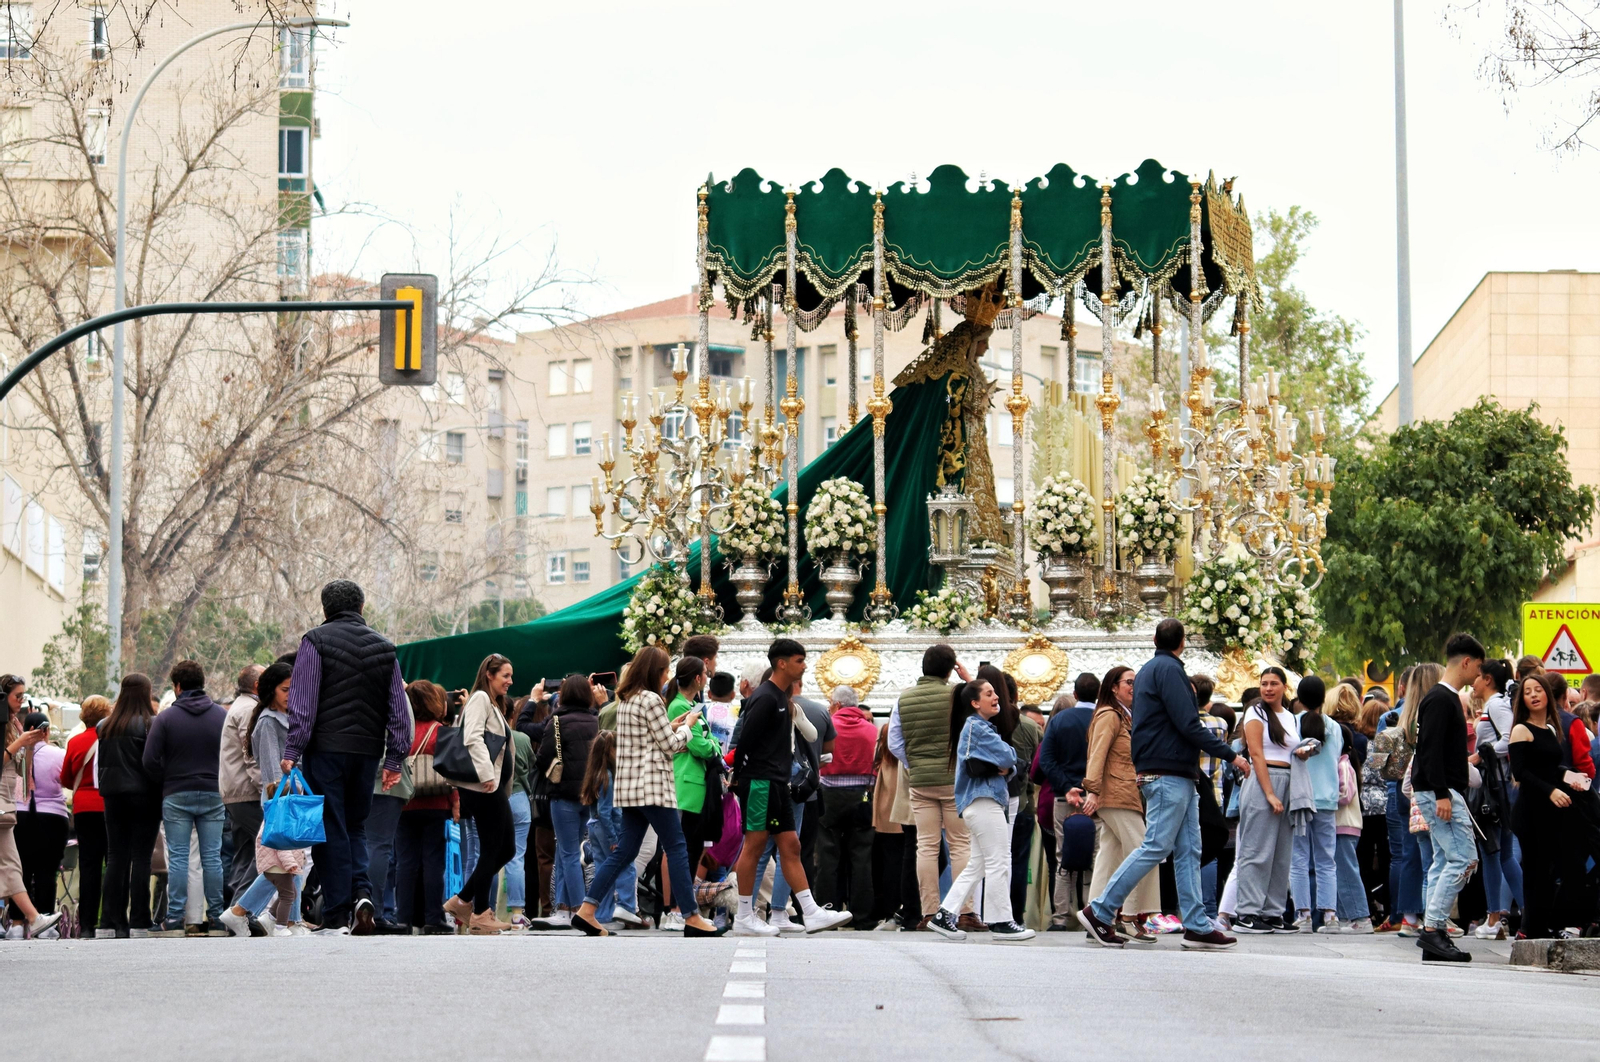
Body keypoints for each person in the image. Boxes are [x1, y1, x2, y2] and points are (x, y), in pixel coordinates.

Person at [1077, 620, 1248, 951]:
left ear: (1155, 639)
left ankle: (1197, 924)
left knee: (1187, 850)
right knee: (1155, 846)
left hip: (1169, 771)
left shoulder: (1147, 673)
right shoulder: (1170, 671)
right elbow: (1188, 723)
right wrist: (1232, 755)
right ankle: (1100, 910)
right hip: (1169, 771)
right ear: (1183, 642)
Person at [279, 579, 410, 935]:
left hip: (326, 750)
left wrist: (293, 748)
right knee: (355, 826)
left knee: (331, 827)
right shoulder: (385, 648)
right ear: (362, 607)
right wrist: (395, 759)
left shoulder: (315, 642)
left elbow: (302, 703)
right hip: (367, 753)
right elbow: (400, 709)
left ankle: (336, 913)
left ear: (325, 609)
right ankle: (363, 895)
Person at [571, 645, 722, 937]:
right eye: (665, 670)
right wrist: (688, 726)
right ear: (656, 671)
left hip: (630, 787)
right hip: (653, 786)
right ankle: (691, 916)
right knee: (677, 847)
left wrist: (673, 725)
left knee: (626, 851)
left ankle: (587, 910)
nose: (668, 676)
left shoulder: (627, 699)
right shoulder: (652, 699)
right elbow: (670, 745)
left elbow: (648, 739)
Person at [727, 639, 852, 937]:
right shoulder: (766, 697)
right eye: (799, 660)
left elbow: (805, 735)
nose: (805, 665)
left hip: (777, 783)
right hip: (761, 783)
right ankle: (744, 916)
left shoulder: (782, 699)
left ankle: (810, 911)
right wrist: (742, 781)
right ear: (782, 663)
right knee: (755, 847)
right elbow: (746, 741)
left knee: (791, 846)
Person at [927, 679, 1032, 941]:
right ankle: (1001, 921)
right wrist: (1009, 762)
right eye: (989, 694)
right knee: (999, 860)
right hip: (984, 800)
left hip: (979, 802)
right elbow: (1010, 758)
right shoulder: (978, 728)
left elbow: (1010, 763)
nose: (996, 696)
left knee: (979, 864)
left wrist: (1009, 763)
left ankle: (944, 914)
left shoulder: (978, 727)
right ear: (975, 703)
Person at [1410, 632, 1487, 962]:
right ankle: (1433, 931)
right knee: (1464, 859)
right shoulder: (1442, 699)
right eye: (1479, 668)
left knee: (1445, 859)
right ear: (1467, 662)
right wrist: (1442, 793)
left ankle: (1434, 931)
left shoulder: (1442, 697)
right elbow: (1429, 751)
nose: (1479, 675)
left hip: (1440, 790)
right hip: (1439, 792)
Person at [887, 644, 974, 931]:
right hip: (953, 780)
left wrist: (915, 764)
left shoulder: (904, 698)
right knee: (960, 844)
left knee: (925, 846)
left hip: (920, 782)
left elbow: (894, 743)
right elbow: (980, 723)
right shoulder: (957, 695)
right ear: (951, 670)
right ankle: (964, 911)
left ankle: (928, 913)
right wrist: (970, 682)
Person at [220, 661, 306, 937]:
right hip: (281, 799)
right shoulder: (269, 721)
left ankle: (271, 917)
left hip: (288, 798)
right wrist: (280, 802)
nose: (290, 694)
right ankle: (271, 918)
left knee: (289, 864)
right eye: (285, 689)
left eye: (294, 689)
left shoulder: (284, 717)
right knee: (285, 864)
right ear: (270, 690)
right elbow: (270, 770)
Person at [143, 659, 227, 934]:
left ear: (177, 687)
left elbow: (149, 760)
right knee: (212, 857)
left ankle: (175, 918)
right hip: (214, 792)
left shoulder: (166, 718)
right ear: (202, 684)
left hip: (177, 793)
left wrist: (167, 780)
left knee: (178, 858)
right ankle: (216, 917)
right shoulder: (220, 716)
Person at [1082, 665, 1161, 943]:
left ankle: (1094, 917)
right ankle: (1128, 916)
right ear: (1113, 687)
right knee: (1145, 850)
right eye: (1129, 682)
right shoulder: (1109, 715)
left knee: (1110, 854)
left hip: (1123, 793)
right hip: (1115, 792)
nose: (1133, 687)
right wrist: (1091, 789)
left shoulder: (1125, 717)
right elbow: (1097, 753)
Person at [442, 655, 518, 935]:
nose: (510, 681)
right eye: (505, 675)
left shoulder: (492, 703)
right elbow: (472, 737)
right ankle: (480, 912)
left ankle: (463, 901)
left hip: (490, 786)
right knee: (493, 848)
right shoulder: (480, 700)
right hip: (482, 785)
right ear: (489, 674)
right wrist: (487, 773)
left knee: (505, 848)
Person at [1509, 671, 1584, 940]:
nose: (1533, 695)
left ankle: (1541, 925)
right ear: (1523, 700)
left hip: (1551, 811)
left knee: (1550, 869)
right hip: (1530, 811)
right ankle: (1530, 929)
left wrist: (1575, 779)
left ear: (1547, 695)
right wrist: (1551, 791)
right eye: (1527, 692)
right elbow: (1521, 773)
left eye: (1537, 690)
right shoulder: (1521, 729)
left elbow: (1553, 768)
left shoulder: (1551, 729)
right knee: (1535, 870)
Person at [1231, 667, 1298, 935]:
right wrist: (1269, 792)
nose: (1268, 688)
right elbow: (1256, 753)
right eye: (1264, 684)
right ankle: (1247, 912)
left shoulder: (1291, 717)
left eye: (1274, 684)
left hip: (1288, 779)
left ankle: (1272, 912)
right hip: (1262, 779)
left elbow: (1291, 750)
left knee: (1282, 852)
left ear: (1284, 686)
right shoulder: (1255, 712)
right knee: (1256, 849)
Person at [533, 673, 600, 930]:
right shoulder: (596, 720)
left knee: (570, 853)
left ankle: (577, 910)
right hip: (589, 794)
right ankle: (562, 908)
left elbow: (542, 757)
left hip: (563, 795)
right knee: (567, 850)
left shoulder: (557, 721)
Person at [98, 673, 162, 938]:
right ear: (147, 695)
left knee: (115, 857)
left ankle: (110, 922)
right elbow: (154, 762)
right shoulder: (151, 724)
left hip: (112, 796)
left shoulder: (104, 725)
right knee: (141, 858)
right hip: (145, 795)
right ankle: (139, 920)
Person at [1037, 673, 1098, 929]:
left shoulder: (1060, 719)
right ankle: (1092, 914)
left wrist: (1066, 786)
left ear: (1075, 694)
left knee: (1063, 857)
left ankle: (1061, 917)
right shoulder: (1103, 718)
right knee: (1095, 856)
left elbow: (1046, 760)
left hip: (1066, 797)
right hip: (1096, 798)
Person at [663, 657, 721, 926]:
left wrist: (711, 745)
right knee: (684, 847)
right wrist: (712, 746)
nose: (708, 677)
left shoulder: (687, 705)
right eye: (705, 674)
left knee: (692, 846)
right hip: (685, 784)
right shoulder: (679, 705)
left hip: (694, 783)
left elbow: (706, 742)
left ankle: (680, 907)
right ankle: (677, 908)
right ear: (698, 678)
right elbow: (701, 745)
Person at [0, 677, 60, 938]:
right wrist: (20, 744)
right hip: (3, 801)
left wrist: (28, 743)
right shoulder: (5, 725)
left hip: (8, 802)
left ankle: (30, 919)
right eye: (17, 696)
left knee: (11, 864)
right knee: (11, 864)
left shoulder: (13, 723)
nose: (21, 702)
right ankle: (33, 918)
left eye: (24, 696)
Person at [815, 684, 878, 927]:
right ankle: (862, 915)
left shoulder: (829, 727)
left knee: (828, 853)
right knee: (861, 855)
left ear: (837, 705)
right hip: (862, 795)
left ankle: (828, 908)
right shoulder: (871, 730)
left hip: (829, 794)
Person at [395, 681, 453, 935]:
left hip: (404, 802)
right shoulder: (440, 731)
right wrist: (455, 804)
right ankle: (433, 918)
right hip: (436, 803)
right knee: (433, 862)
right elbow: (453, 773)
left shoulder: (400, 730)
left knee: (405, 862)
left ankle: (403, 918)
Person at [1471, 657, 1520, 939]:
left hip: (1494, 788)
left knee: (1493, 853)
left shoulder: (1496, 705)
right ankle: (1519, 912)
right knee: (1503, 855)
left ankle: (1493, 918)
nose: (1474, 682)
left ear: (1488, 679)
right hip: (1498, 787)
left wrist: (1479, 754)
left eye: (1478, 677)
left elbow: (1509, 739)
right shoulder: (1496, 704)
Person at [1287, 676, 1342, 932]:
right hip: (1328, 800)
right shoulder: (1334, 727)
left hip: (1300, 799)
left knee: (1298, 857)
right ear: (1323, 698)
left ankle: (1303, 914)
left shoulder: (1291, 724)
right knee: (1326, 859)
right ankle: (1330, 915)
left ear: (1298, 697)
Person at [10, 709, 67, 933]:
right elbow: (67, 778)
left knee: (20, 869)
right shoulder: (57, 754)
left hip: (19, 816)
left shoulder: (14, 755)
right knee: (47, 871)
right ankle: (44, 922)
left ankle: (15, 923)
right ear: (45, 731)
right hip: (52, 817)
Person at [578, 730, 641, 929]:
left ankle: (603, 914)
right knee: (625, 867)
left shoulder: (594, 774)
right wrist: (614, 838)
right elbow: (607, 812)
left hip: (594, 827)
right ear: (609, 751)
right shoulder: (608, 777)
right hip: (608, 830)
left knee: (603, 871)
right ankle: (626, 907)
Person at [1326, 683, 1373, 933]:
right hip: (1351, 817)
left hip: (1342, 819)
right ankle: (1347, 917)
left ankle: (1360, 916)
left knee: (1345, 868)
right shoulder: (1361, 741)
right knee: (1343, 866)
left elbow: (1342, 792)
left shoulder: (1341, 758)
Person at [62, 694, 111, 937]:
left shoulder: (76, 741)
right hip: (110, 805)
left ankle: (87, 924)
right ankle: (111, 918)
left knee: (88, 865)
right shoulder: (113, 739)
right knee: (112, 862)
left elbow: (66, 778)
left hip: (83, 807)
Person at [218, 664, 265, 904]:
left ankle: (235, 909)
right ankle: (240, 907)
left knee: (246, 852)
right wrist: (267, 789)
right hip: (248, 792)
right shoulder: (250, 709)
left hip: (237, 791)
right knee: (269, 847)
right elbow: (252, 756)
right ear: (258, 685)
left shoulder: (242, 706)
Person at [503, 698, 535, 928]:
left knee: (484, 855)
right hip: (520, 799)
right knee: (517, 857)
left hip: (495, 797)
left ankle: (478, 909)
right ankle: (517, 914)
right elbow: (533, 765)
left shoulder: (486, 736)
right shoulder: (523, 739)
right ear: (512, 716)